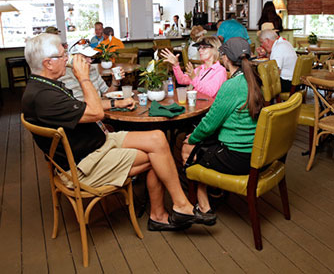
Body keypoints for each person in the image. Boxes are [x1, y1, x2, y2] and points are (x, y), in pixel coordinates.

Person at [22, 33, 211, 231]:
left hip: (97, 142)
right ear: (48, 63)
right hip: (84, 164)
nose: (67, 59)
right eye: (62, 56)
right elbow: (94, 112)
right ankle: (161, 215)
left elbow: (83, 108)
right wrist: (84, 78)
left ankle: (181, 206)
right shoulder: (44, 98)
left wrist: (115, 102)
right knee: (157, 157)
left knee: (157, 137)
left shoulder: (43, 86)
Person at [181, 37, 264, 216]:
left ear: (225, 57)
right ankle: (214, 191)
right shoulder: (255, 79)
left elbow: (209, 124)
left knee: (188, 148)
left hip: (238, 157)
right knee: (204, 145)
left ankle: (203, 205)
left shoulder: (231, 86)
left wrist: (192, 138)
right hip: (256, 151)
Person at [59, 40, 132, 109]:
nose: (90, 60)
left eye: (90, 57)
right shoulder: (62, 77)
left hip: (101, 113)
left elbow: (106, 94)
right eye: (85, 57)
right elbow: (80, 108)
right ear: (71, 58)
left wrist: (115, 81)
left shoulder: (92, 70)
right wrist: (117, 103)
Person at [161, 36, 227, 98]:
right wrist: (176, 65)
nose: (200, 50)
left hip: (208, 107)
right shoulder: (200, 69)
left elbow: (209, 93)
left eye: (204, 47)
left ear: (214, 49)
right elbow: (182, 80)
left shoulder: (220, 71)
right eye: (199, 48)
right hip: (196, 102)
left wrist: (193, 77)